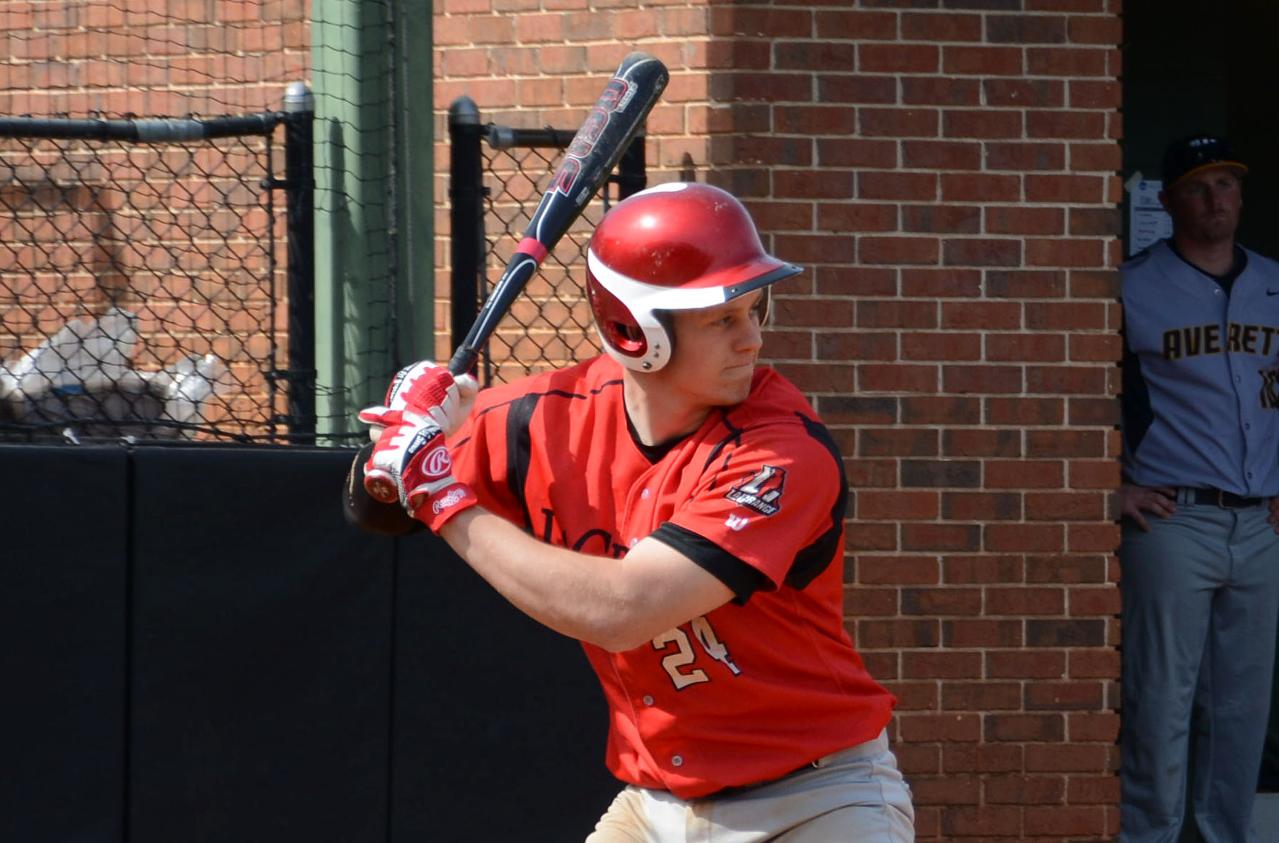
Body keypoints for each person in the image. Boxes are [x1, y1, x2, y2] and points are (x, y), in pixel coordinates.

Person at [353, 182, 915, 841]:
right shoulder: (542, 419)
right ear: (633, 330)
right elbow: (378, 508)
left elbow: (624, 611)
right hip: (653, 807)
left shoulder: (780, 450)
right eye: (722, 319)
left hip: (814, 798)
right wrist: (407, 433)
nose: (752, 339)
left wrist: (441, 493)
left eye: (756, 310)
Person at [1117, 135, 1279, 842]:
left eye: (1226, 185)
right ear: (1167, 198)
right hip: (1173, 517)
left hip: (1260, 522)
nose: (1215, 200)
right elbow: (1088, 395)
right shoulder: (1129, 283)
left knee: (1240, 704)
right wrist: (1109, 487)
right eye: (1198, 187)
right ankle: (1148, 833)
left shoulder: (1274, 280)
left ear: (1240, 195)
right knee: (1160, 698)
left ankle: (1225, 835)